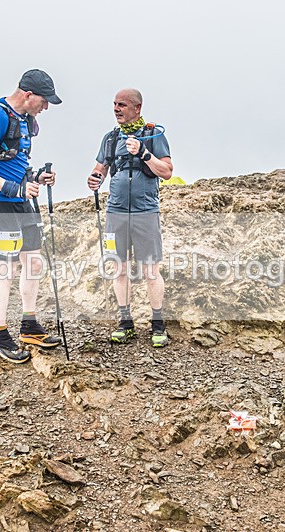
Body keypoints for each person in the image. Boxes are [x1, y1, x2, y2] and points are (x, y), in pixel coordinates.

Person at [0, 69, 63, 364]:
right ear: (28, 94)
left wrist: (35, 177)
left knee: (33, 262)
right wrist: (13, 188)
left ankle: (29, 325)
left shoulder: (24, 121)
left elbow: (13, 164)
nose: (45, 108)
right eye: (44, 101)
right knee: (4, 270)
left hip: (22, 204)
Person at [87, 89, 173, 347]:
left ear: (137, 107)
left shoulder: (154, 134)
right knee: (119, 268)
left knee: (150, 269)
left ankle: (158, 324)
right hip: (115, 212)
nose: (116, 109)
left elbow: (167, 171)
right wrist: (95, 179)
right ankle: (125, 323)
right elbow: (100, 168)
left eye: (122, 105)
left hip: (145, 212)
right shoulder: (110, 138)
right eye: (114, 104)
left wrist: (144, 154)